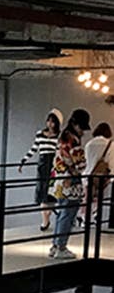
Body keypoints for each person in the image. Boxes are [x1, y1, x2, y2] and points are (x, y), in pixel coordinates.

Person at [49, 108, 91, 259]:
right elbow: (80, 163)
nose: (82, 131)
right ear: (75, 124)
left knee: (62, 213)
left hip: (59, 179)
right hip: (70, 181)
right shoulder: (73, 140)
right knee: (68, 214)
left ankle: (55, 245)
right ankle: (61, 246)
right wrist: (83, 167)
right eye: (81, 127)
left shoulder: (62, 136)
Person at [18, 108, 62, 231]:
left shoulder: (59, 136)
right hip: (42, 164)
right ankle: (45, 220)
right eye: (48, 121)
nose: (50, 124)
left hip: (53, 165)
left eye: (53, 121)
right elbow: (34, 148)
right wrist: (24, 160)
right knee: (42, 191)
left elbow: (59, 151)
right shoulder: (40, 134)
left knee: (51, 191)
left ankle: (47, 218)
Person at [81, 121, 113, 225]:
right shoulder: (111, 144)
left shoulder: (89, 144)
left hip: (88, 174)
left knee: (87, 198)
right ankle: (96, 214)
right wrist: (111, 178)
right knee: (98, 196)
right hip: (102, 176)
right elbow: (111, 162)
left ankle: (84, 219)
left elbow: (86, 160)